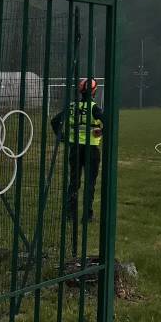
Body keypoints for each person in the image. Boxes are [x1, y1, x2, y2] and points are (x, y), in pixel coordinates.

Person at [51, 78, 105, 222]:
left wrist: (62, 137)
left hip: (75, 148)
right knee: (90, 183)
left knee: (74, 182)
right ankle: (87, 215)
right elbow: (109, 121)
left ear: (80, 90)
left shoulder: (72, 106)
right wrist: (101, 131)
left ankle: (69, 214)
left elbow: (55, 121)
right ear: (94, 91)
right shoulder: (94, 108)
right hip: (91, 149)